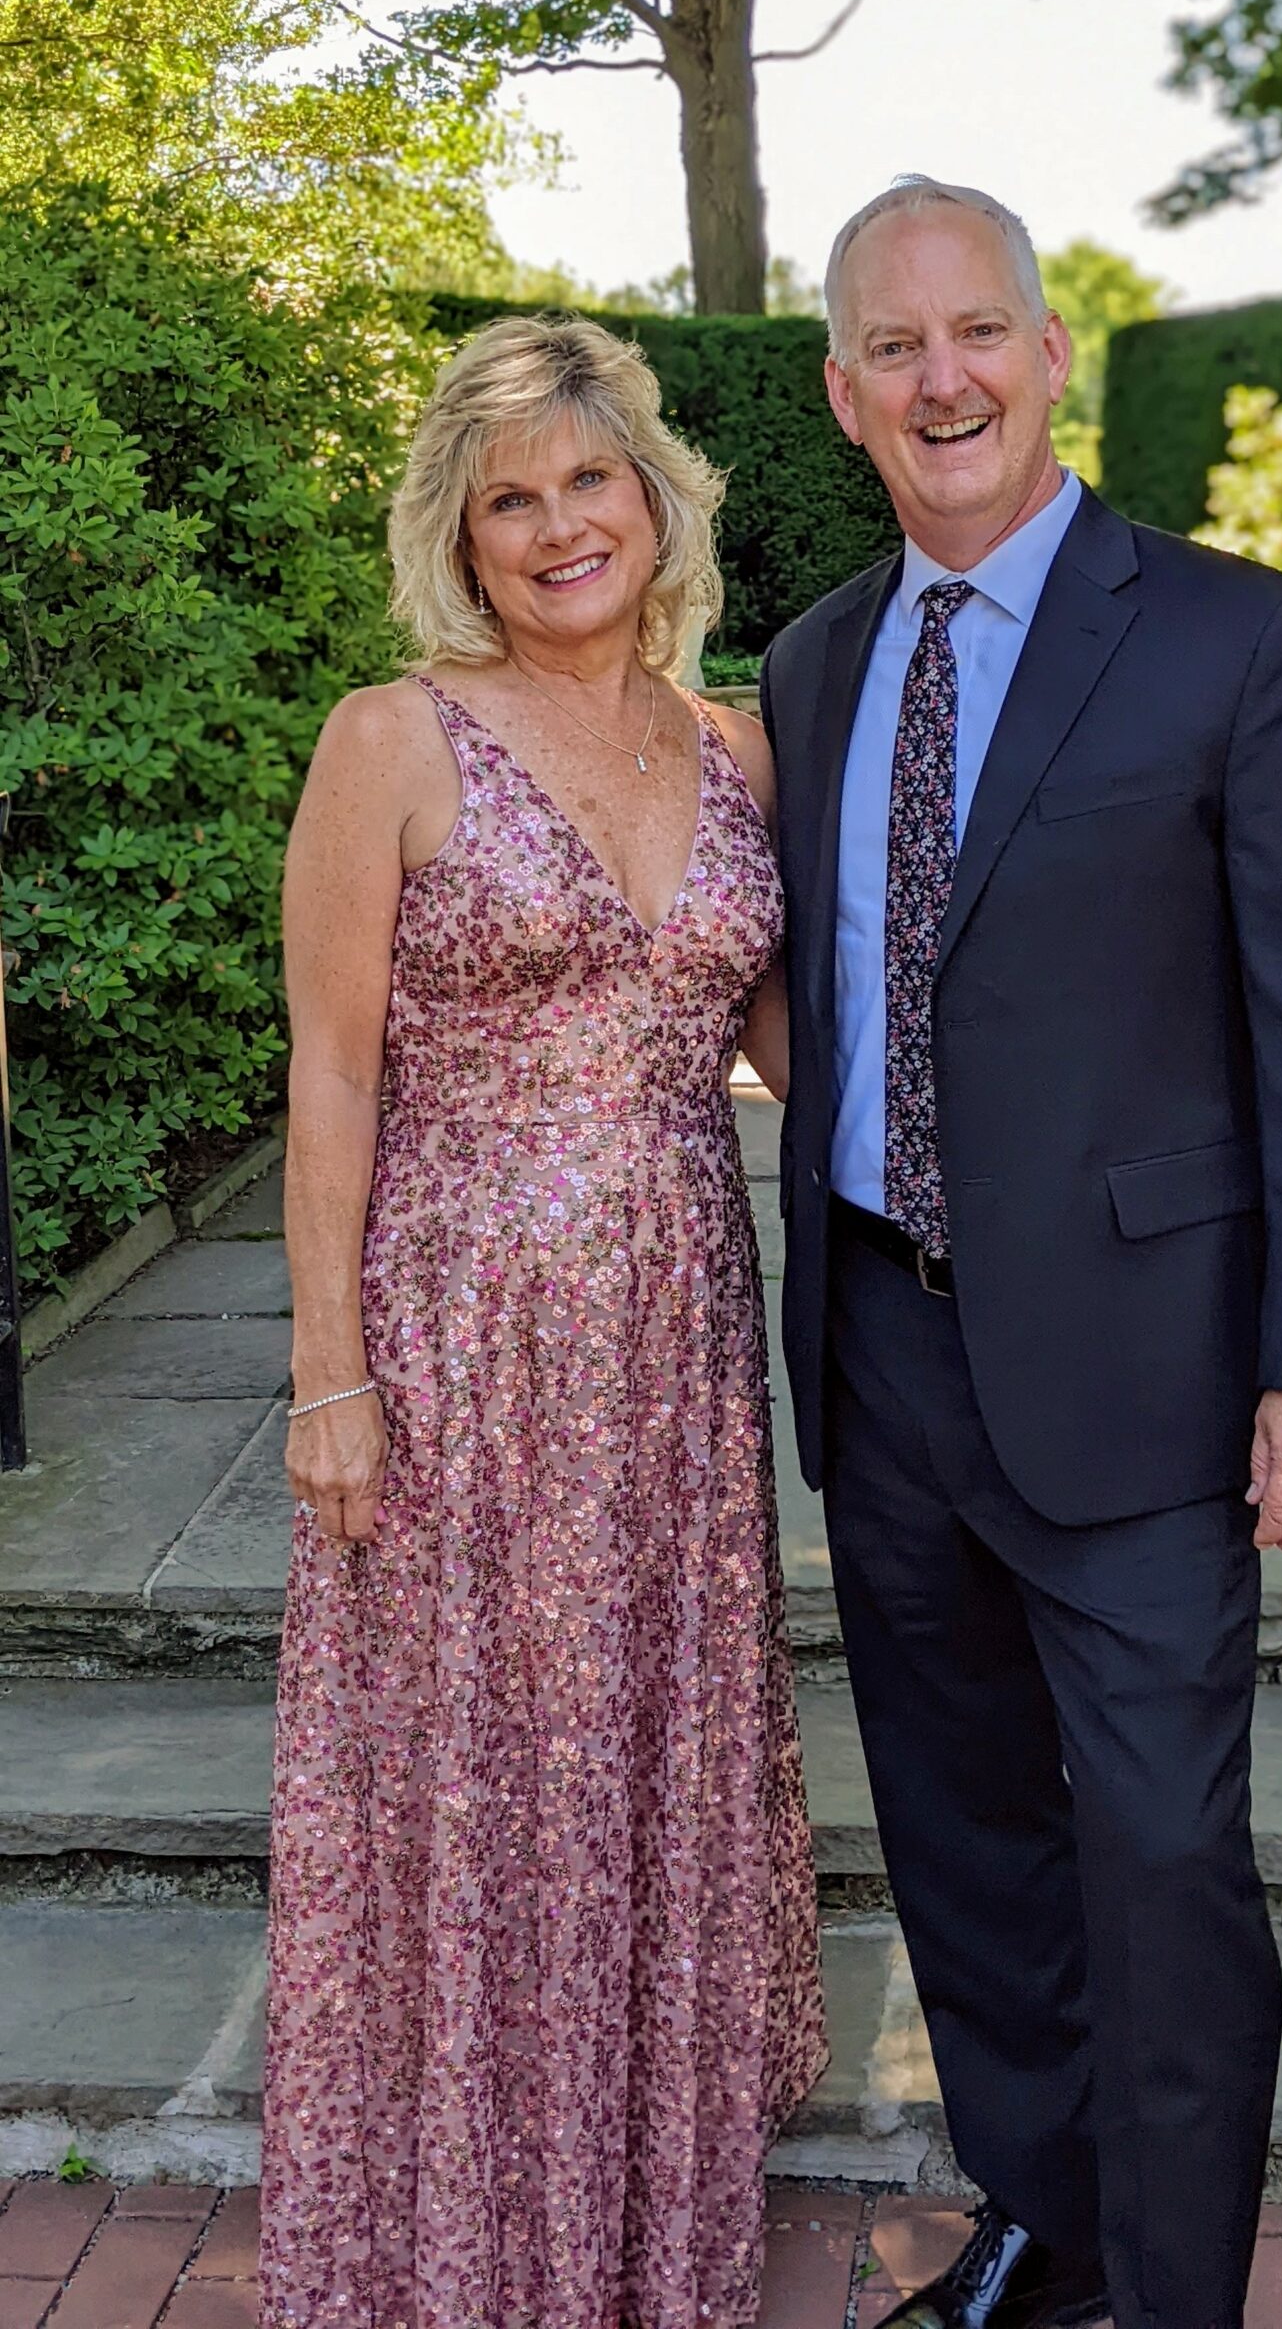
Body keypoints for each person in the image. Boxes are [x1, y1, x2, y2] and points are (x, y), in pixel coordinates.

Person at [760, 179, 1282, 2329]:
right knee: (963, 1848)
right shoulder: (815, 657)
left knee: (1155, 1861)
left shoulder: (1237, 634)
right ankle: (1041, 2225)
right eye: (891, 345)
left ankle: (1177, 2294)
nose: (938, 376)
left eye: (977, 332)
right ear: (843, 392)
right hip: (884, 1344)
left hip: (1143, 1367)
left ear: (1046, 355)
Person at [260, 313, 826, 2329]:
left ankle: (633, 2221)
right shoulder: (390, 738)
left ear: (653, 495)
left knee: (639, 1759)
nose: (559, 521)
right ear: (466, 537)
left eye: (589, 478)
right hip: (454, 1339)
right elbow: (328, 1071)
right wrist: (327, 1372)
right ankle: (453, 2233)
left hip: (677, 1343)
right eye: (512, 496)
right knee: (469, 1773)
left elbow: (800, 1039)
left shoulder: (740, 738)